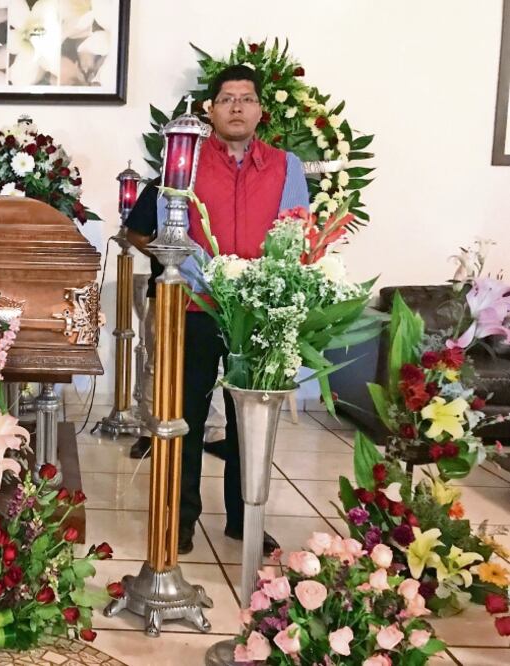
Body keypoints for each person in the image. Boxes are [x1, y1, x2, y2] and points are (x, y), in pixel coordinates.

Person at [124, 65, 310, 555]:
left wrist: (270, 287)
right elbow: (151, 231)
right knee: (183, 415)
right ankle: (182, 519)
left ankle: (243, 517)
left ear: (260, 110)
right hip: (194, 308)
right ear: (209, 110)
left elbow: (296, 235)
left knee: (250, 420)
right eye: (226, 98)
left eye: (246, 99)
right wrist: (195, 270)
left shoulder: (285, 166)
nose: (236, 107)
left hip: (258, 314)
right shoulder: (180, 165)